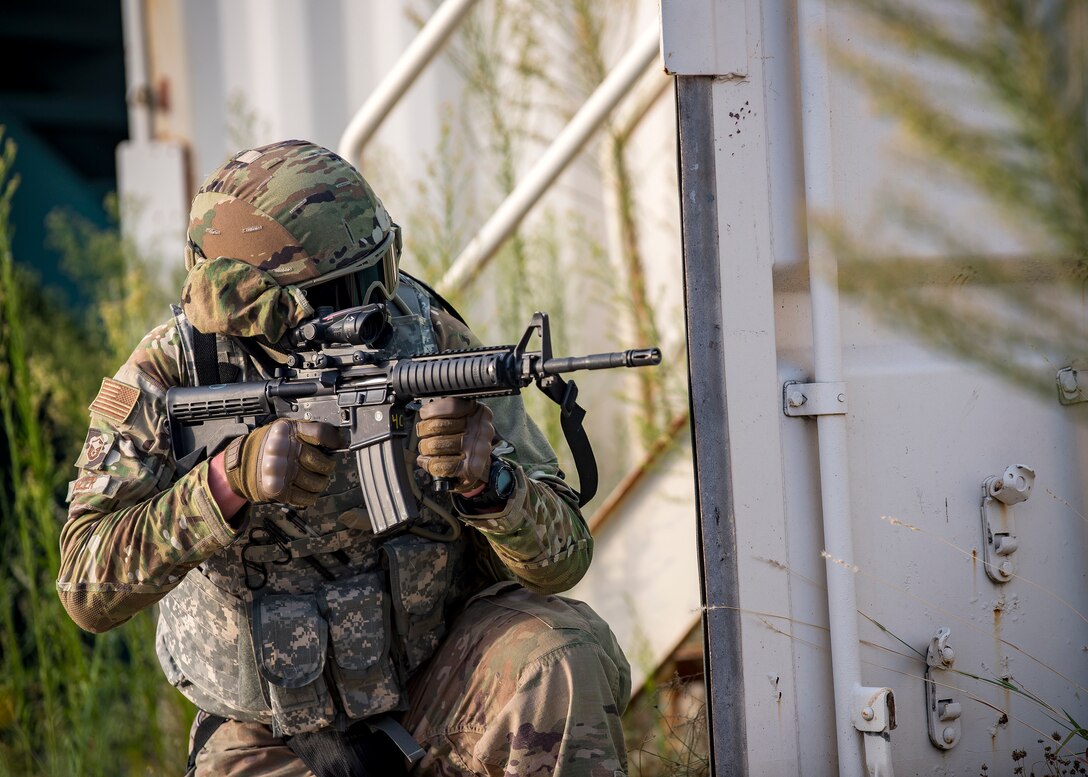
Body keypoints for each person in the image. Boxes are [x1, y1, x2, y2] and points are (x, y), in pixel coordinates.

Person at [57, 139, 631, 777]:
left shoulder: (427, 340)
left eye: (379, 272)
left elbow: (563, 561)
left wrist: (489, 484)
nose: (374, 304)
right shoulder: (174, 371)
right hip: (266, 730)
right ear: (262, 304)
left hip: (435, 693)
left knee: (560, 654)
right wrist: (224, 484)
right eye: (344, 290)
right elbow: (87, 585)